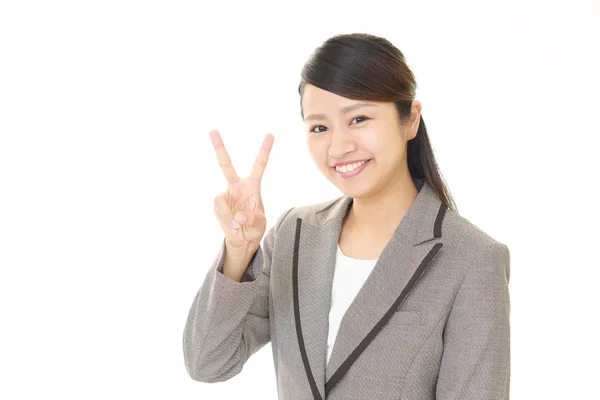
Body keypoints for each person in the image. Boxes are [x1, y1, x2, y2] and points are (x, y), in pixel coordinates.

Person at [182, 33, 511, 399]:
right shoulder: (294, 234)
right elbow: (208, 363)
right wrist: (238, 251)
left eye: (358, 118)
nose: (338, 147)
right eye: (319, 127)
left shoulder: (471, 259)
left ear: (410, 120)